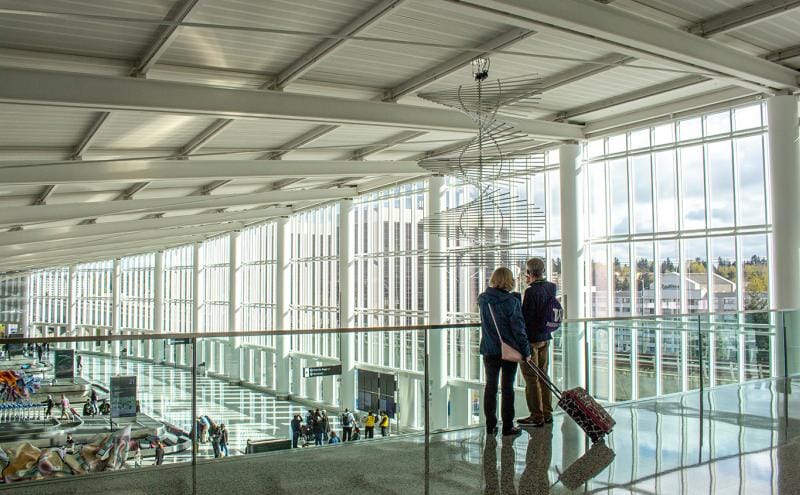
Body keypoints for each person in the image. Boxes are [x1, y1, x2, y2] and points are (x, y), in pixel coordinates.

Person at [478, 267, 531, 438]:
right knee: (508, 388)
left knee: (490, 386)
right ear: (510, 281)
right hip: (509, 350)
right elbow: (519, 329)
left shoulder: (483, 300)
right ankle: (508, 426)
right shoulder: (511, 302)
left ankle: (490, 425)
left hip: (489, 349)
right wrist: (526, 351)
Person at [519, 258, 557, 427]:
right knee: (543, 375)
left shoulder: (531, 291)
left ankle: (536, 415)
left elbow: (525, 317)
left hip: (532, 339)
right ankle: (547, 412)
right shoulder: (551, 287)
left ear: (529, 273)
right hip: (545, 337)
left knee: (531, 377)